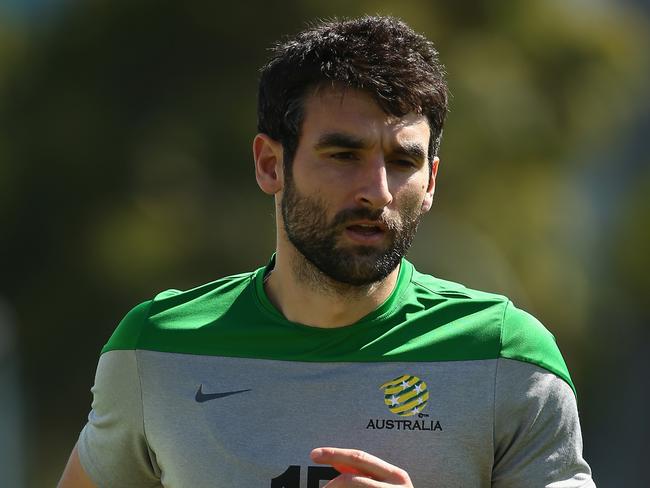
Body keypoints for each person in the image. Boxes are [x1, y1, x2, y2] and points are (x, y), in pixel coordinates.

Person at [58, 15, 595, 488]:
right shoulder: (154, 350)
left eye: (403, 162)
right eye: (344, 154)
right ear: (271, 165)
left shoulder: (507, 356)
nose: (377, 191)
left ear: (430, 181)